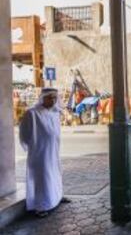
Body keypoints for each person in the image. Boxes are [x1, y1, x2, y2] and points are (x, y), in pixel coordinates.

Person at [19, 88, 70, 218]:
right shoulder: (32, 113)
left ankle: (57, 197)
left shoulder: (55, 112)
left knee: (54, 174)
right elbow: (24, 134)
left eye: (54, 97)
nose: (52, 100)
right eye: (49, 97)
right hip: (39, 153)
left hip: (53, 151)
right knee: (42, 178)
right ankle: (41, 206)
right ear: (42, 98)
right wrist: (34, 145)